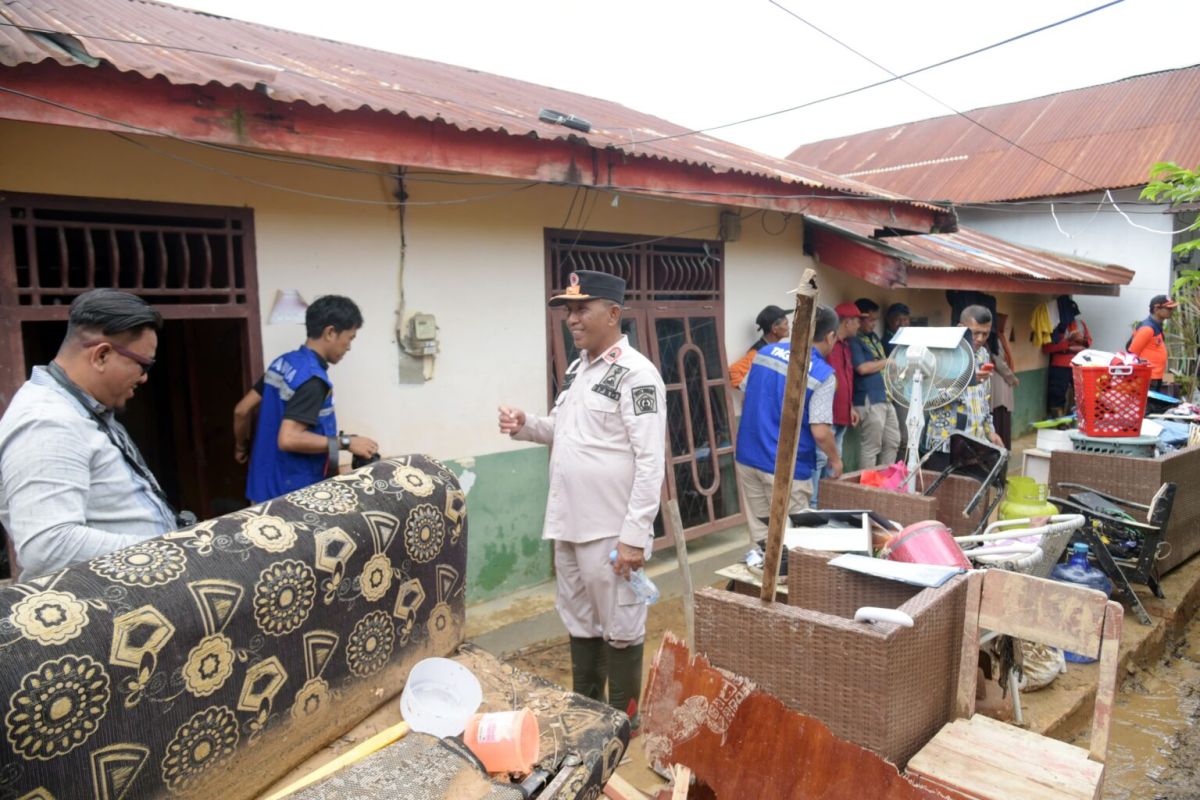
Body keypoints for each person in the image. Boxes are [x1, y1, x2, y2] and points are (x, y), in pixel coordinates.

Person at [497, 270, 666, 731]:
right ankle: (587, 715)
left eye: (581, 309)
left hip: (611, 531)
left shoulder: (637, 375)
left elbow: (651, 462)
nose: (572, 319)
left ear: (613, 314)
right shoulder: (578, 370)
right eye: (568, 310)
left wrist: (634, 537)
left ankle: (623, 724)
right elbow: (563, 430)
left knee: (621, 625)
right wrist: (526, 424)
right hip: (568, 523)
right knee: (579, 621)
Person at [0, 289, 182, 578]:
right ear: (101, 355)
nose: (145, 377)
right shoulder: (47, 422)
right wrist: (175, 551)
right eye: (143, 365)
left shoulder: (83, 408)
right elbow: (48, 546)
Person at [236, 295, 378, 504]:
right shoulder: (313, 380)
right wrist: (347, 443)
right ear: (330, 332)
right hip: (290, 497)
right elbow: (289, 439)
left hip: (261, 488)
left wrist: (240, 447)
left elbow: (241, 410)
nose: (348, 347)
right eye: (350, 338)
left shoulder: (283, 363)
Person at [735, 305, 842, 540]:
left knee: (762, 534)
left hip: (748, 457)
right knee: (792, 538)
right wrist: (835, 458)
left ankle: (763, 573)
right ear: (830, 336)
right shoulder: (823, 375)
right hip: (787, 468)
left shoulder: (765, 353)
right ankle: (787, 577)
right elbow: (821, 432)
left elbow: (746, 394)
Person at [925, 305, 1006, 464]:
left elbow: (984, 400)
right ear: (961, 328)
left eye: (986, 333)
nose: (981, 339)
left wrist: (991, 432)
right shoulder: (943, 354)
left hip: (974, 444)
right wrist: (967, 381)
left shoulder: (983, 354)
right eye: (975, 332)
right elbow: (931, 398)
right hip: (944, 444)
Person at [812, 302, 860, 507]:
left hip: (841, 414)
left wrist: (849, 407)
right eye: (857, 320)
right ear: (846, 322)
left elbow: (844, 380)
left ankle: (825, 503)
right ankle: (813, 504)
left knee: (832, 463)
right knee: (822, 461)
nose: (859, 325)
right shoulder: (826, 348)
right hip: (824, 416)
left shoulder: (845, 346)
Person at [850, 298, 901, 469]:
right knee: (872, 446)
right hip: (869, 398)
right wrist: (887, 361)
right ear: (859, 318)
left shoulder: (873, 338)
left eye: (875, 319)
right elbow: (862, 368)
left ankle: (885, 485)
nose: (874, 323)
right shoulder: (854, 340)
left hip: (885, 396)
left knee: (893, 441)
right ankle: (868, 488)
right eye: (870, 319)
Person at [1041, 295, 1091, 417]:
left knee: (1082, 393)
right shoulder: (1055, 326)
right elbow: (1046, 348)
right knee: (1057, 394)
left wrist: (1082, 341)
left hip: (1078, 364)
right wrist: (1068, 343)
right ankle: (1059, 421)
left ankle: (1079, 419)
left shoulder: (1080, 323)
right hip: (1060, 365)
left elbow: (1089, 341)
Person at [729, 305, 789, 390]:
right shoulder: (757, 352)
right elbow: (733, 372)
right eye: (786, 324)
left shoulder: (773, 348)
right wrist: (754, 392)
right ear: (774, 328)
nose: (788, 327)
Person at [1128, 294, 1178, 391]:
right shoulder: (1147, 328)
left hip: (1155, 377)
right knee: (1148, 406)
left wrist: (1165, 377)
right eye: (1168, 308)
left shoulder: (1156, 326)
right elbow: (1132, 355)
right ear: (1156, 309)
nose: (1171, 311)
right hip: (1147, 378)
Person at [989, 314, 1020, 449]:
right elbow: (999, 363)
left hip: (999, 380)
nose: (1006, 327)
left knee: (1000, 415)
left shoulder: (999, 338)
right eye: (1004, 324)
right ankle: (1001, 448)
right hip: (999, 381)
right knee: (1000, 414)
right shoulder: (995, 339)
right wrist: (1012, 378)